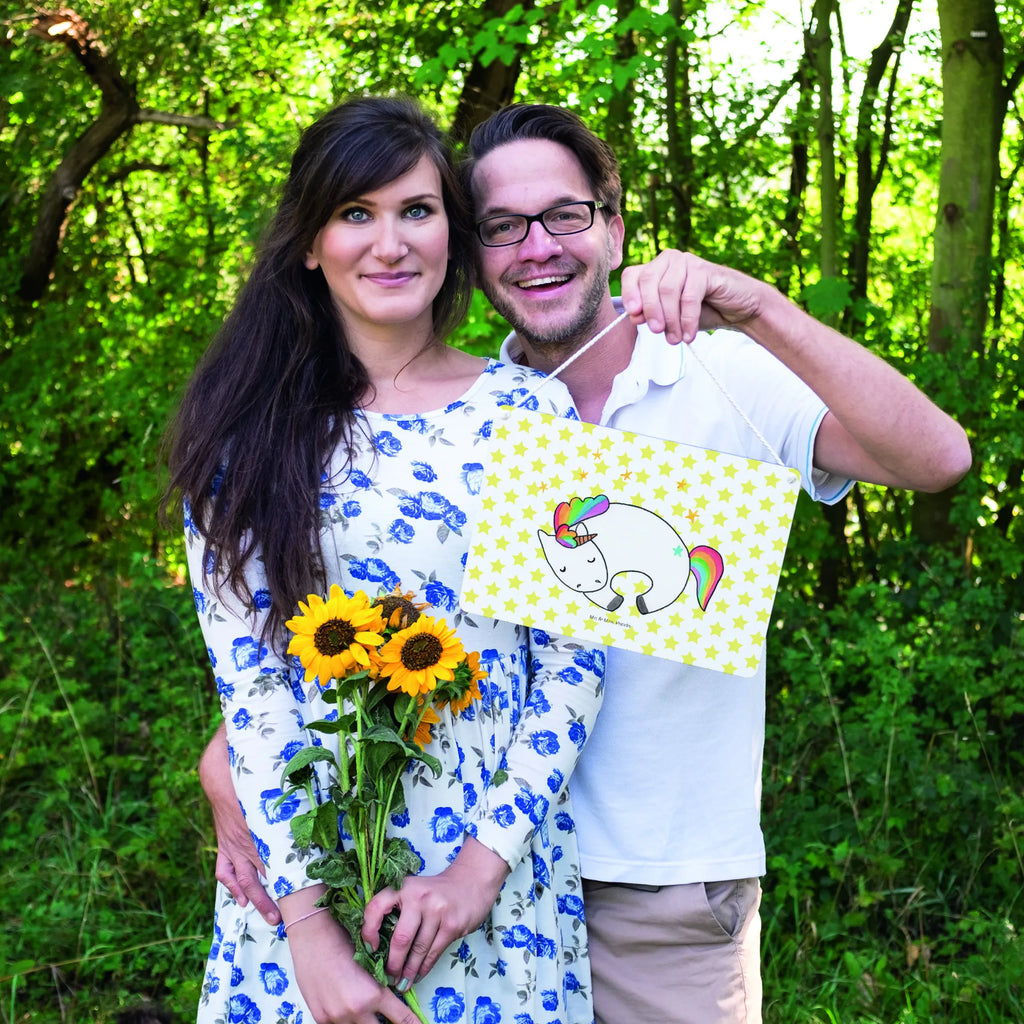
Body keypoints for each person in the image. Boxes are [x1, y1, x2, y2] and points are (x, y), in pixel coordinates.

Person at [201, 102, 972, 1024]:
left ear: (614, 228)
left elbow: (939, 459)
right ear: (474, 249)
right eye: (503, 226)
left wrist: (758, 306)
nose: (537, 247)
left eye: (564, 215)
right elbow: (347, 624)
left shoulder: (712, 373)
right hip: (435, 872)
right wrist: (232, 756)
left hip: (655, 888)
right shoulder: (473, 413)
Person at [165, 97, 607, 1024]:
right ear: (309, 243)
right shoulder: (245, 436)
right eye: (355, 213)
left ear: (453, 230)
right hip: (303, 881)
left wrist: (478, 873)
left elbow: (573, 664)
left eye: (417, 210)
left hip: (492, 883)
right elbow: (252, 688)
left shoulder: (530, 412)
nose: (391, 243)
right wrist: (310, 933)